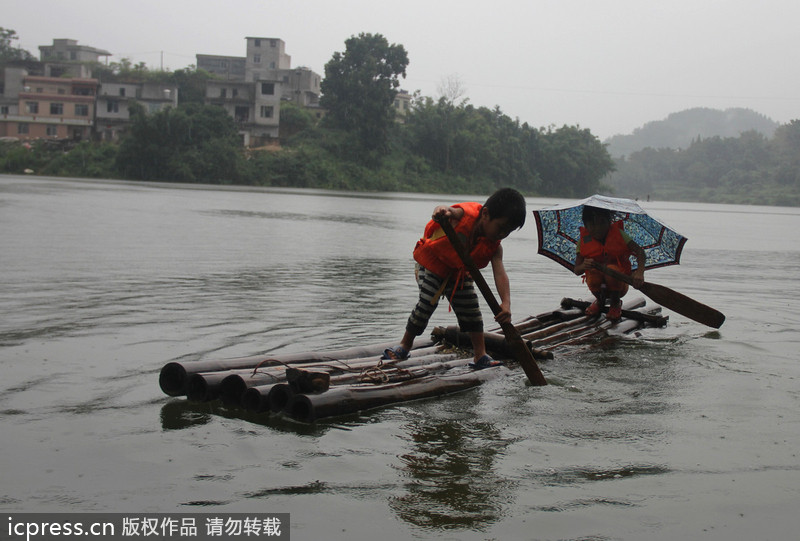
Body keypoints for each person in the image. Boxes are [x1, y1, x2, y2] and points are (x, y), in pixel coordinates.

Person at [382, 188, 527, 369]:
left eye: (508, 232)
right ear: (486, 214)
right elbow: (449, 210)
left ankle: (480, 356)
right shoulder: (466, 216)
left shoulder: (495, 247)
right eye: (501, 228)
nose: (502, 235)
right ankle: (404, 345)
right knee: (427, 303)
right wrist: (442, 211)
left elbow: (500, 273)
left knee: (472, 310)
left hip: (458, 273)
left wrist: (506, 303)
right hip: (432, 264)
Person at [573, 205, 646, 321]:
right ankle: (599, 301)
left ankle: (616, 303)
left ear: (609, 222)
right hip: (598, 285)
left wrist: (640, 273)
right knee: (593, 273)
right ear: (586, 225)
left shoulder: (619, 234)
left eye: (602, 223)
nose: (597, 228)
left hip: (619, 284)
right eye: (592, 224)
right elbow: (577, 270)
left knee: (611, 269)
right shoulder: (583, 240)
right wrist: (584, 265)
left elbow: (640, 252)